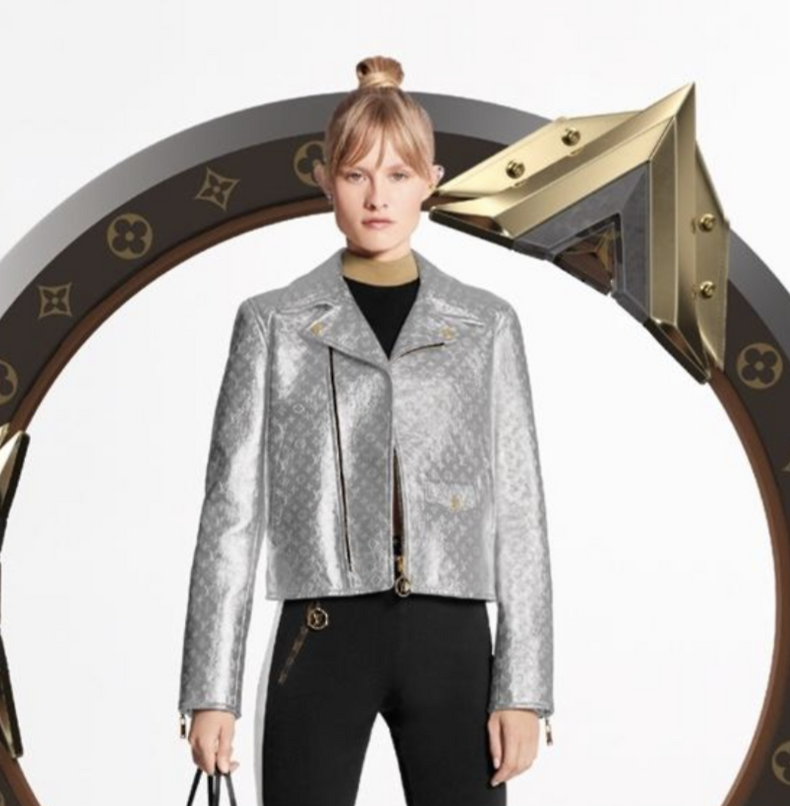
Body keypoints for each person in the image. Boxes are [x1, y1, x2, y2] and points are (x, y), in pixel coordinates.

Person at [177, 55, 555, 805]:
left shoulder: (485, 325)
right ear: (326, 181)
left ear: (431, 182)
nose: (377, 196)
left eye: (397, 174)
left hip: (453, 640)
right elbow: (230, 516)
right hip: (321, 632)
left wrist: (525, 687)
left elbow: (520, 512)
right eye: (356, 174)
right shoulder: (273, 323)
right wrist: (211, 689)